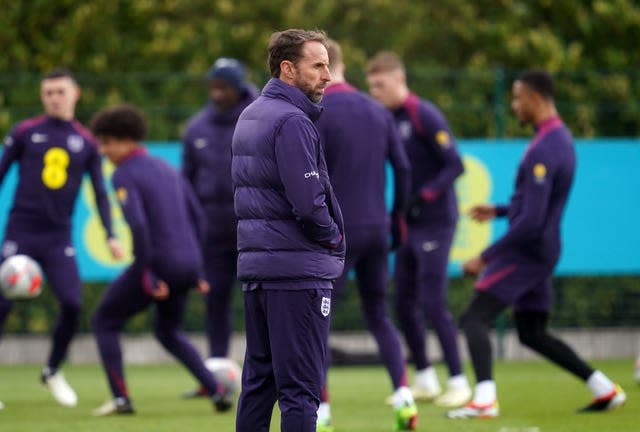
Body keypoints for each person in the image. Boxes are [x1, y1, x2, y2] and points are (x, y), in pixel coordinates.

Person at [446, 70, 626, 419]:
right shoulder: (557, 138)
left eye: (517, 98)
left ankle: (484, 400)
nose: (514, 106)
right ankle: (604, 388)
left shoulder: (546, 147)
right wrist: (498, 211)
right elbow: (534, 208)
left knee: (474, 318)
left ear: (536, 99)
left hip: (529, 251)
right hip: (542, 248)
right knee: (531, 332)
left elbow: (531, 221)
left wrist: (485, 257)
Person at [231, 29, 345, 432]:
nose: (327, 76)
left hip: (261, 270)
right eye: (318, 66)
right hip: (297, 274)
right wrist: (332, 237)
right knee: (300, 390)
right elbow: (308, 203)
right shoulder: (292, 121)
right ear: (288, 69)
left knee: (259, 385)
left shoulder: (251, 114)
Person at [89, 104, 233, 416]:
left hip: (158, 266)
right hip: (187, 265)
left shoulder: (124, 174)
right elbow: (198, 217)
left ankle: (121, 399)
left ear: (125, 140)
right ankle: (217, 389)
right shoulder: (166, 168)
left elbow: (139, 226)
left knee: (104, 320)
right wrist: (197, 269)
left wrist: (148, 274)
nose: (103, 151)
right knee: (168, 331)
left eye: (106, 143)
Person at [0, 68, 123, 407]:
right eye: (48, 92)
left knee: (72, 302)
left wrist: (111, 235)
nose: (54, 98)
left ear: (75, 94)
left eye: (60, 91)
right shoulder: (25, 131)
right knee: (2, 302)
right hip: (21, 231)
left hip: (58, 236)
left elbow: (99, 192)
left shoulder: (85, 141)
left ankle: (52, 369)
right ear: (43, 97)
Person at [314, 39, 417, 431]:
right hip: (377, 229)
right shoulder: (377, 110)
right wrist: (397, 218)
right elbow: (403, 170)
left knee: (317, 319)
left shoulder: (317, 111)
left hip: (336, 233)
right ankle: (405, 397)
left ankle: (321, 411)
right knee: (379, 315)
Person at [366, 51, 471, 407]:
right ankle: (425, 378)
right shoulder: (385, 118)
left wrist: (424, 195)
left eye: (380, 84)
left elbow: (455, 165)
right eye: (371, 86)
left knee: (432, 302)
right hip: (409, 224)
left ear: (399, 79)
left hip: (437, 222)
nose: (375, 91)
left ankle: (459, 381)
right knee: (403, 302)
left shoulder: (422, 113)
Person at [180, 57, 259, 398]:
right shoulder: (196, 127)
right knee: (214, 305)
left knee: (261, 303)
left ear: (238, 86)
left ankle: (264, 375)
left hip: (254, 229)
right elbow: (186, 184)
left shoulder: (260, 118)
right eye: (213, 85)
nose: (216, 92)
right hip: (211, 234)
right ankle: (213, 379)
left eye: (223, 86)